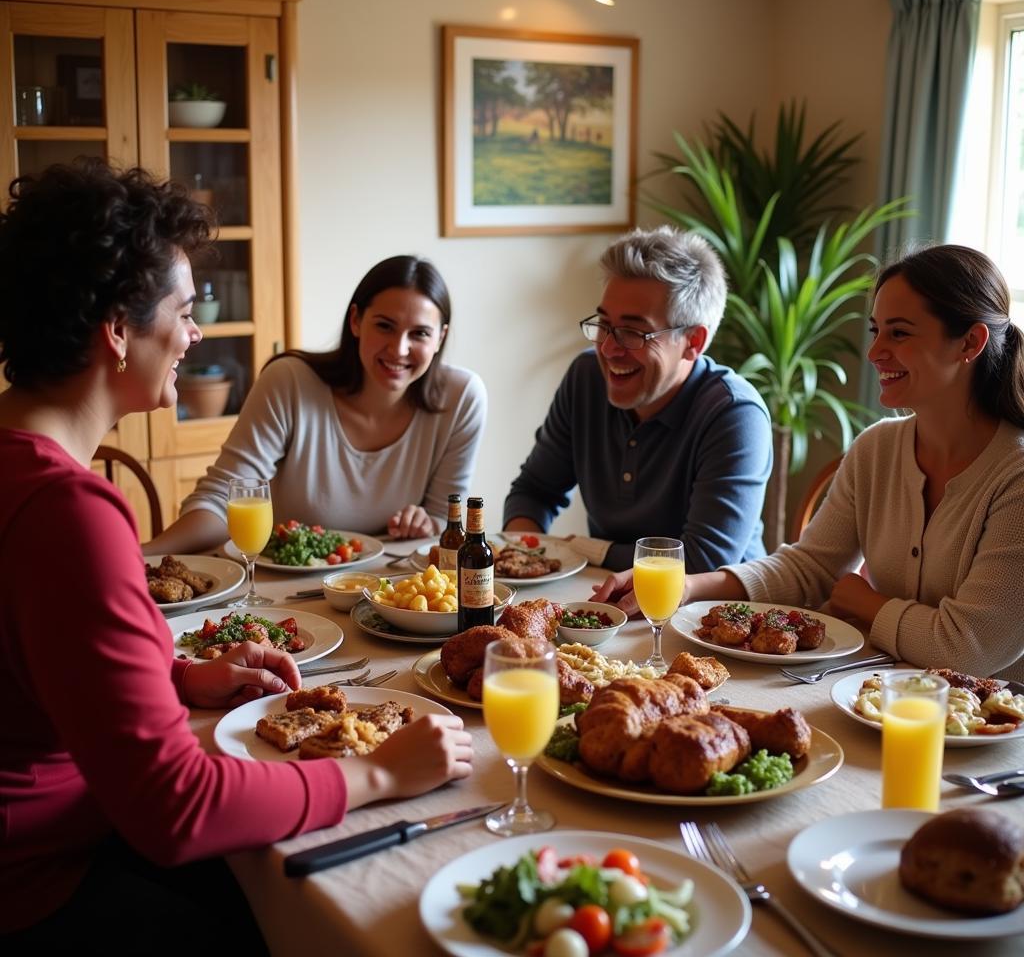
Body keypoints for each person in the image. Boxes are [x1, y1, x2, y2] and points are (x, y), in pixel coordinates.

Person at [0, 161, 473, 947]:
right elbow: (176, 809)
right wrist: (377, 773)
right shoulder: (68, 512)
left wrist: (180, 678)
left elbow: (40, 671)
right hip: (38, 881)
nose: (193, 335)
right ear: (118, 329)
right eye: (184, 314)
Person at [595, 244, 1024, 681]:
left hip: (995, 729)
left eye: (899, 333)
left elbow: (967, 647)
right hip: (880, 699)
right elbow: (811, 568)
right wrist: (688, 587)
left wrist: (867, 603)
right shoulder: (876, 448)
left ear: (969, 342)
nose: (875, 352)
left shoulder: (1016, 477)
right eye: (875, 331)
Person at [147, 254, 486, 554]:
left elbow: (446, 521)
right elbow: (224, 500)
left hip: (394, 594)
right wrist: (144, 555)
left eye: (420, 334)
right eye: (385, 326)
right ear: (356, 321)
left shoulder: (462, 398)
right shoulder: (290, 382)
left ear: (440, 337)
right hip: (288, 595)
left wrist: (425, 522)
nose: (399, 349)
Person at [503, 225, 773, 573]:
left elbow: (701, 562)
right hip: (608, 603)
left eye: (633, 332)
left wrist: (588, 550)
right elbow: (535, 491)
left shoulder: (735, 414)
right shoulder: (586, 378)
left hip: (710, 617)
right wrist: (520, 560)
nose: (608, 348)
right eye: (604, 324)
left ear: (693, 341)